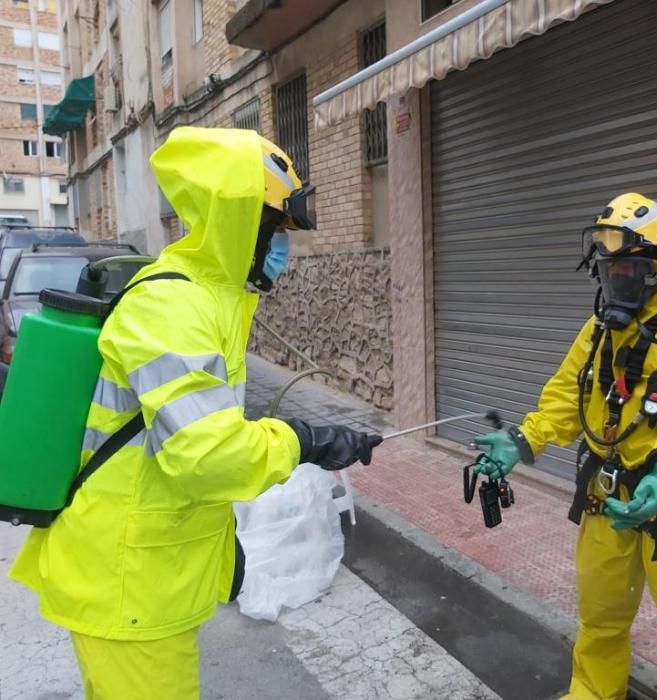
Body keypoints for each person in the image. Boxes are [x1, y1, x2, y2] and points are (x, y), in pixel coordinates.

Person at [9, 127, 380, 699]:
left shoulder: (209, 301)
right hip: (129, 586)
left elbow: (179, 445)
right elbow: (207, 457)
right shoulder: (173, 307)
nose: (284, 246)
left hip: (145, 580)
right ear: (240, 221)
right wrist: (302, 440)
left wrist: (222, 547)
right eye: (276, 229)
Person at [472, 193, 657, 699]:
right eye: (607, 270)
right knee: (600, 621)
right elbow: (565, 397)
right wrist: (522, 440)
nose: (615, 282)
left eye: (628, 271)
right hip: (607, 498)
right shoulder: (600, 331)